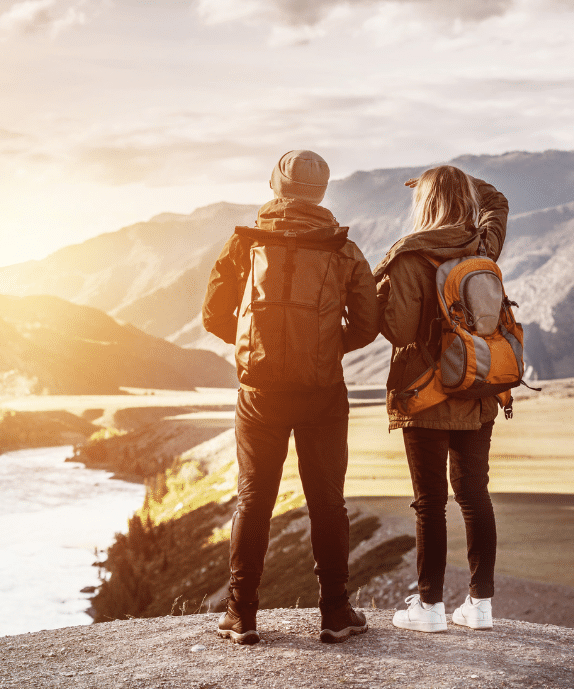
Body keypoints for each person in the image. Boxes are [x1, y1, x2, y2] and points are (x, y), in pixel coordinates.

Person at [202, 149, 379, 645]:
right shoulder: (343, 249)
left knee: (254, 499)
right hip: (322, 393)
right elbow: (367, 324)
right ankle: (336, 613)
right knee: (328, 501)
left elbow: (214, 316)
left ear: (276, 185)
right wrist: (322, 348)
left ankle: (242, 614)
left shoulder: (245, 244)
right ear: (321, 194)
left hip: (259, 393)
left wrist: (257, 349)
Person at [372, 165, 509, 632]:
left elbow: (400, 330)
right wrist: (468, 179)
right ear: (464, 200)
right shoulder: (481, 247)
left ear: (424, 203)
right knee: (474, 494)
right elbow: (498, 204)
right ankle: (481, 606)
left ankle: (429, 608)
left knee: (430, 502)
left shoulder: (409, 255)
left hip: (425, 397)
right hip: (476, 389)